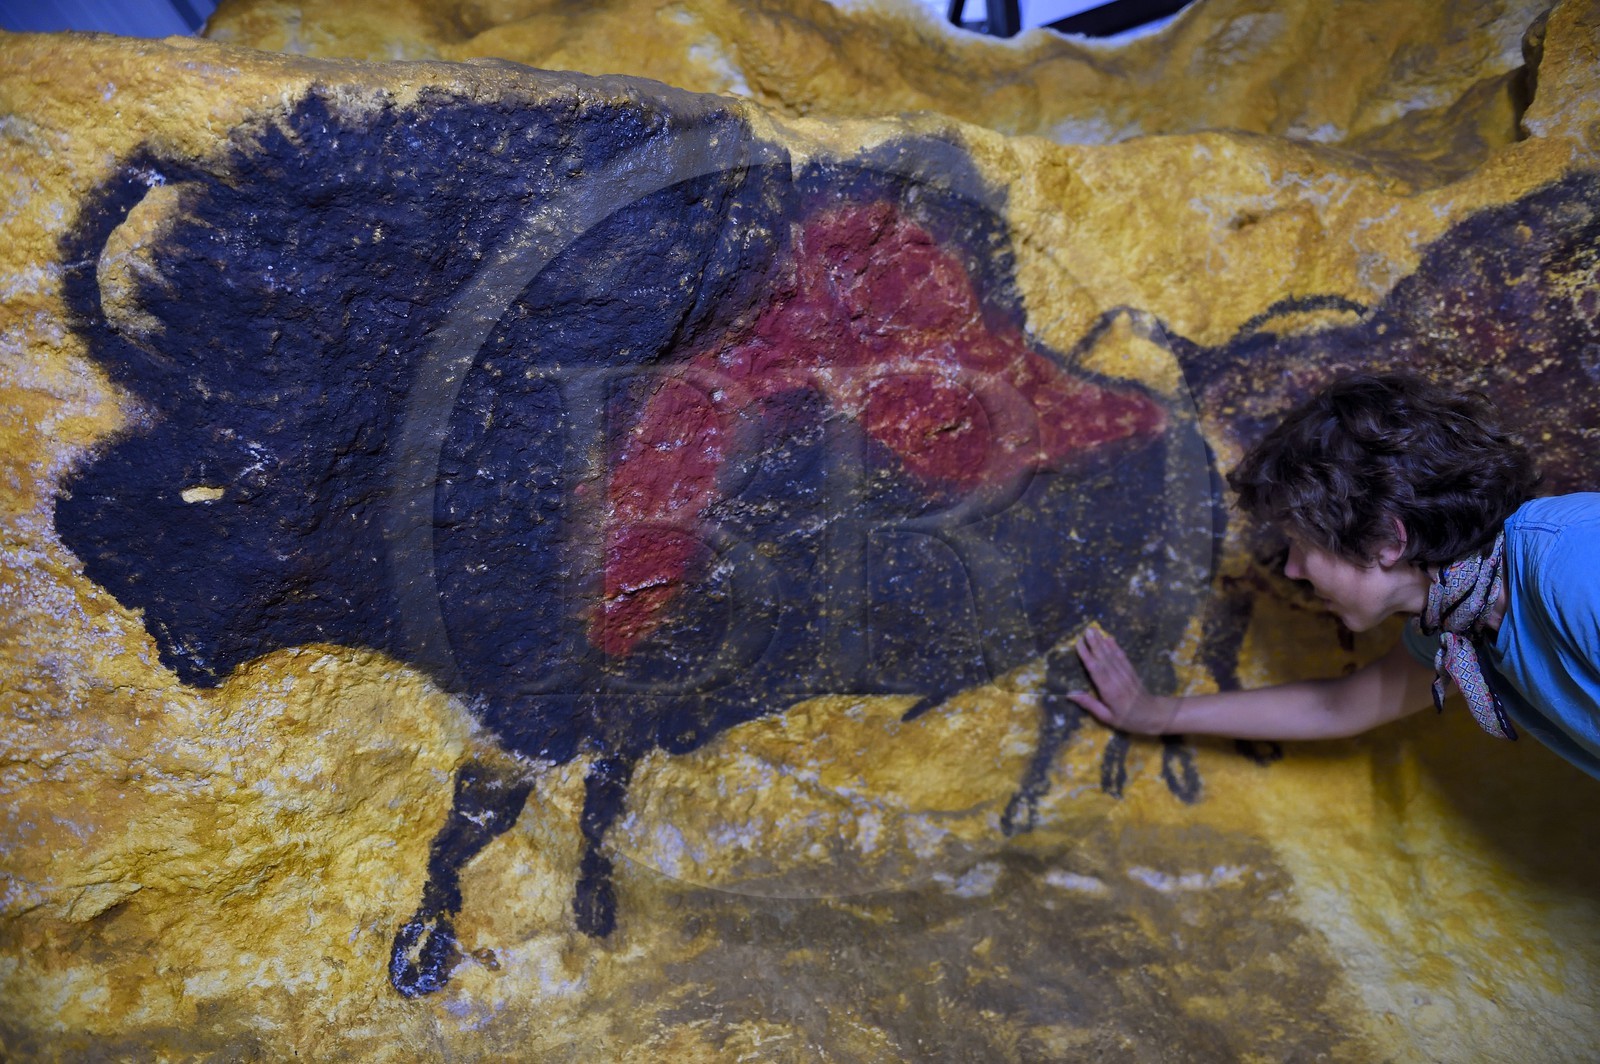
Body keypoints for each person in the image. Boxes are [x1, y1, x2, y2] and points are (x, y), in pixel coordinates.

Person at [1068, 372, 1600, 781]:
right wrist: (1155, 714)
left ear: (1388, 541)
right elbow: (1338, 707)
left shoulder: (1573, 563)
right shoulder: (1458, 622)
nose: (1294, 569)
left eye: (1302, 544)